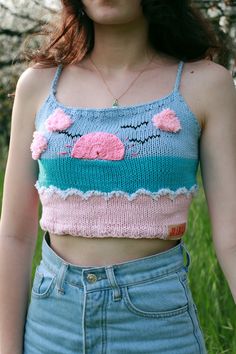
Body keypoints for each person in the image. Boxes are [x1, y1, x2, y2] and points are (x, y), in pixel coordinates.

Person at [0, 0, 235, 353]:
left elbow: (232, 235)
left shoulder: (204, 84)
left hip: (158, 325)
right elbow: (14, 235)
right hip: (51, 324)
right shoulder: (38, 84)